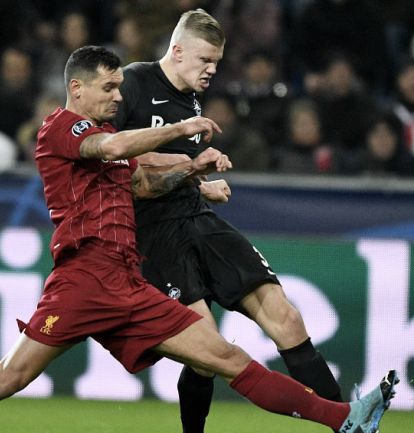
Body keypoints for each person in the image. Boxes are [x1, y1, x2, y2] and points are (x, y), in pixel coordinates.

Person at [0, 45, 397, 433]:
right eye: (109, 88)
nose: (117, 96)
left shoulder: (112, 149)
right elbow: (115, 144)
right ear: (77, 87)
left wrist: (193, 174)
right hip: (83, 278)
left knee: (225, 358)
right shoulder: (61, 127)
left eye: (120, 88)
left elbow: (143, 180)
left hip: (128, 279)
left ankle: (345, 419)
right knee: (7, 379)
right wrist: (180, 128)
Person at [112, 9, 348, 433]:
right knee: (206, 351)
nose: (212, 70)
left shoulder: (190, 101)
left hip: (196, 217)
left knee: (287, 318)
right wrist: (191, 172)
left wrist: (201, 187)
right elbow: (117, 168)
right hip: (150, 233)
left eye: (217, 62)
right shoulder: (132, 83)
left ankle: (349, 423)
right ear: (177, 50)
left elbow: (169, 171)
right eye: (205, 60)